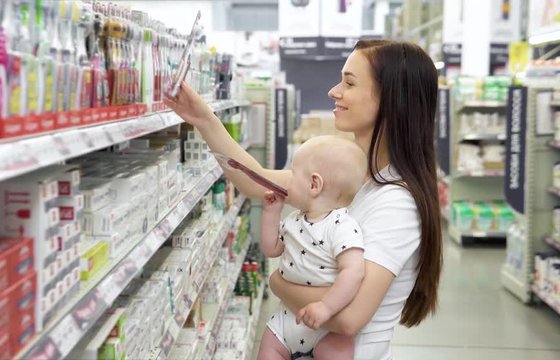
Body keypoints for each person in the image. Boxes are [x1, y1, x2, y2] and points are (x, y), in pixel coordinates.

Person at [164, 39, 443, 359]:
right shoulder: (354, 179)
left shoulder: (396, 203)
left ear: (392, 100)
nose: (334, 91)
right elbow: (254, 179)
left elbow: (350, 317)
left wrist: (278, 282)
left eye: (349, 83)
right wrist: (204, 119)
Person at [258, 136, 367, 360]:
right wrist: (271, 213)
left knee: (338, 352)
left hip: (328, 326)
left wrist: (326, 307)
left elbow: (354, 272)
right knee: (268, 348)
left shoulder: (342, 226)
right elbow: (271, 249)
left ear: (314, 184)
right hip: (286, 318)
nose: (287, 181)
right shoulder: (294, 220)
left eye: (293, 173)